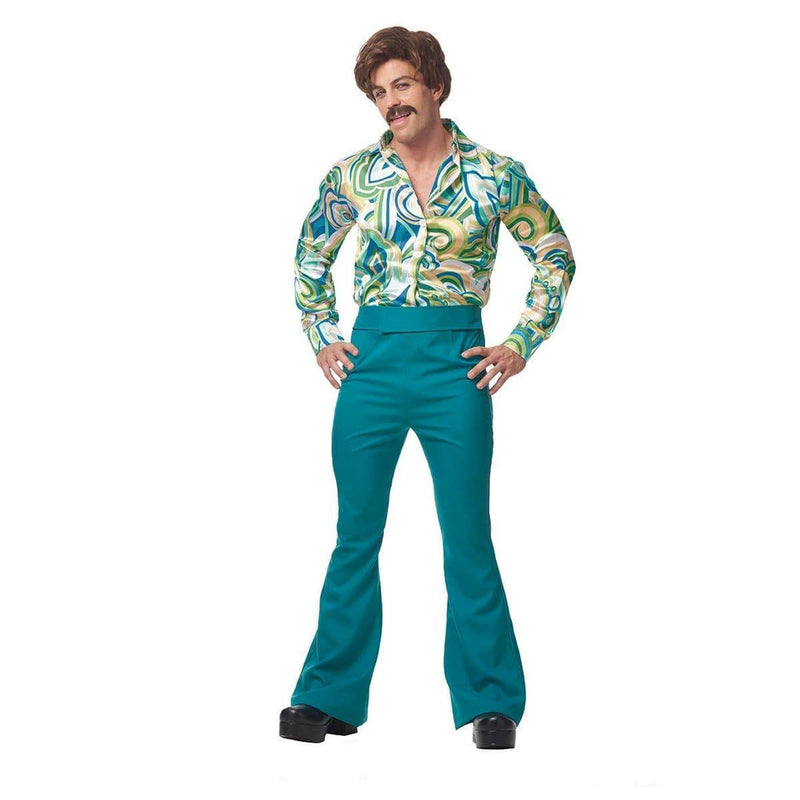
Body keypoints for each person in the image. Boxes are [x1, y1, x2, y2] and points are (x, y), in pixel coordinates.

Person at [280, 26, 576, 749]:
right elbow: (311, 254)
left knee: (467, 534)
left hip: (456, 365)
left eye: (402, 85)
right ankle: (327, 695)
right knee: (355, 533)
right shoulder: (353, 175)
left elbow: (554, 254)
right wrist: (322, 333)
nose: (390, 102)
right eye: (379, 93)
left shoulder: (495, 173)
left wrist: (520, 341)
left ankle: (492, 701)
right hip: (373, 362)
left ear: (436, 86)